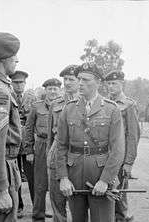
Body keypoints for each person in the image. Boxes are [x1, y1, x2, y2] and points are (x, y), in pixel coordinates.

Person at [56, 63, 125, 222]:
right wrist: (63, 177)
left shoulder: (111, 109)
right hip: (74, 175)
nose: (80, 83)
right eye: (79, 79)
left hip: (100, 172)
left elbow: (117, 150)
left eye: (86, 80)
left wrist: (105, 180)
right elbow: (60, 146)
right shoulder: (69, 109)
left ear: (98, 82)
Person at [105, 70, 140, 222]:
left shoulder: (129, 105)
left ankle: (123, 218)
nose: (111, 87)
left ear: (122, 84)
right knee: (106, 194)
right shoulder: (104, 103)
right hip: (105, 156)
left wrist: (128, 162)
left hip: (120, 158)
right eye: (109, 84)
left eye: (115, 83)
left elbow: (133, 136)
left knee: (119, 196)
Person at [25, 78, 61, 221]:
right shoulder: (36, 106)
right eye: (50, 88)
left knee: (59, 183)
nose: (52, 91)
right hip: (41, 145)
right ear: (45, 90)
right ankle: (38, 216)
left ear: (60, 90)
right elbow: (28, 128)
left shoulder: (64, 106)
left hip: (58, 145)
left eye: (55, 88)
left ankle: (59, 215)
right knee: (40, 183)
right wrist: (29, 150)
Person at [47, 65, 80, 222]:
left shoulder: (87, 103)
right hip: (56, 155)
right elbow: (50, 136)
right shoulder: (56, 104)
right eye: (65, 79)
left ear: (79, 81)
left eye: (71, 79)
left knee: (79, 203)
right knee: (57, 202)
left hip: (78, 157)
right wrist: (49, 157)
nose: (67, 83)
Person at [0, 32, 22, 221]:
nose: (16, 60)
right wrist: (2, 188)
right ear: (4, 59)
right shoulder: (0, 90)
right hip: (3, 164)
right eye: (14, 57)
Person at [10, 70, 36, 218]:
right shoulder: (7, 96)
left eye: (21, 82)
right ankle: (18, 206)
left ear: (25, 83)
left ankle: (37, 206)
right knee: (14, 176)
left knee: (32, 177)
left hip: (28, 144)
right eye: (16, 82)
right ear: (12, 83)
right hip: (12, 144)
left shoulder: (32, 98)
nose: (19, 85)